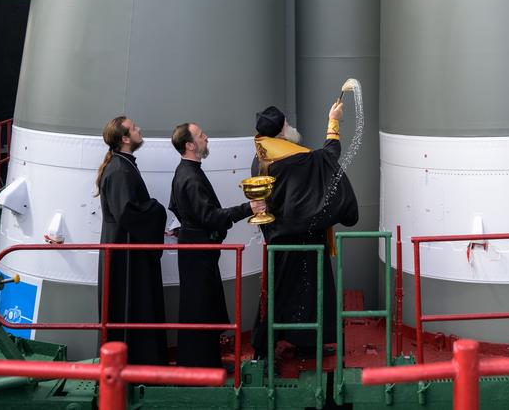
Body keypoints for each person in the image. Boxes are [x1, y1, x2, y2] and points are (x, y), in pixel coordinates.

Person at [251, 100, 358, 358]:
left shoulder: (260, 156)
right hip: (301, 237)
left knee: (288, 291)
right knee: (299, 291)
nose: (290, 127)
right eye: (286, 124)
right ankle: (270, 347)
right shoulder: (295, 159)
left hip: (279, 236)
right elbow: (329, 156)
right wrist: (333, 122)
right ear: (279, 131)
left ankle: (300, 342)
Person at [168, 122, 266, 368]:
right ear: (190, 145)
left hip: (197, 250)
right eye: (201, 136)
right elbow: (209, 216)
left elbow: (178, 209)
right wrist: (249, 208)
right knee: (199, 307)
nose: (206, 137)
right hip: (198, 252)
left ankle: (202, 362)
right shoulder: (190, 176)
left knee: (199, 305)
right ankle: (200, 366)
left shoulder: (186, 171)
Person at [96, 115, 167, 365]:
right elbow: (127, 211)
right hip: (125, 254)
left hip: (126, 250)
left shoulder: (123, 165)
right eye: (134, 128)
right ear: (125, 138)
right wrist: (158, 210)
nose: (139, 130)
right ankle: (132, 365)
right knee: (129, 307)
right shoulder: (119, 169)